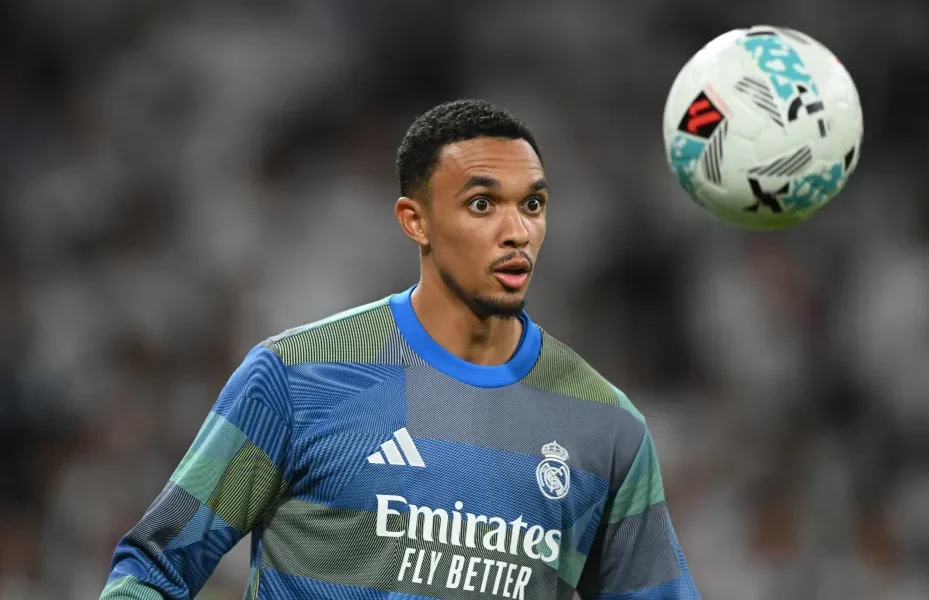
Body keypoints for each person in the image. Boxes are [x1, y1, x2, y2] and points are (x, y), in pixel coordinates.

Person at [100, 99, 700, 600]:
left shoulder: (608, 426)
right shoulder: (296, 379)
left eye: (533, 204)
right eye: (483, 204)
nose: (516, 230)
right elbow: (153, 571)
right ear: (415, 221)